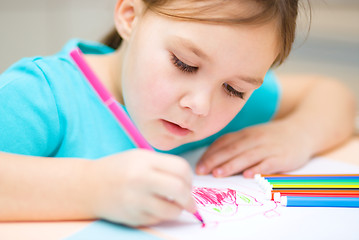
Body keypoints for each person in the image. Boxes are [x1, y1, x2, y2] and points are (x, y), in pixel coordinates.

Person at [0, 0, 356, 227]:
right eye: (184, 64)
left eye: (235, 90)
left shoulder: (218, 102)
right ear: (129, 16)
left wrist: (299, 134)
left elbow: (333, 94)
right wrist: (95, 188)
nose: (200, 106)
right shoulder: (42, 96)